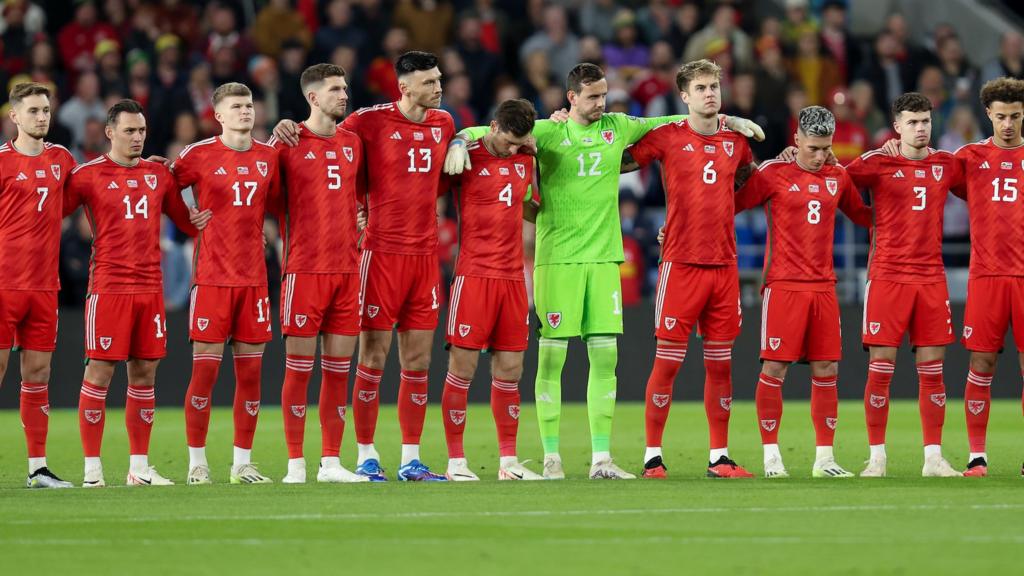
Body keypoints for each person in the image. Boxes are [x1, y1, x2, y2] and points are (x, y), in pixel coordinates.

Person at [446, 62, 764, 479]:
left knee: (605, 359)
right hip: (557, 258)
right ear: (571, 98)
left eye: (604, 95)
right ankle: (552, 457)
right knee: (551, 362)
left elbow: (670, 121)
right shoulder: (549, 130)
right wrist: (458, 139)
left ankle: (601, 459)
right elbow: (498, 131)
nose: (602, 103)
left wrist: (726, 119)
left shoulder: (619, 126)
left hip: (604, 258)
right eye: (593, 97)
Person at [274, 51, 455, 482]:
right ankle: (366, 454)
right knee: (373, 356)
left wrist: (465, 141)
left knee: (418, 360)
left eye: (439, 79)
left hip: (426, 256)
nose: (438, 87)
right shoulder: (367, 122)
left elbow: (473, 136)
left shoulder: (445, 124)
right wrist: (285, 126)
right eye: (429, 82)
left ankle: (411, 457)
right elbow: (322, 137)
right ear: (405, 87)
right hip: (378, 254)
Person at [622, 59, 756, 479]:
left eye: (714, 86)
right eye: (700, 88)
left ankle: (719, 456)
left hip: (724, 266)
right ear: (684, 96)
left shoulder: (737, 142)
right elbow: (619, 163)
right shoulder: (666, 137)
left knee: (721, 365)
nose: (710, 93)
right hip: (680, 265)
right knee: (668, 362)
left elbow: (748, 183)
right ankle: (652, 457)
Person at [65, 99, 210, 487]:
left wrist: (202, 215)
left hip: (151, 289)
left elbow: (186, 222)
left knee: (145, 374)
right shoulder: (86, 175)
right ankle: (92, 470)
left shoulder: (158, 175)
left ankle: (139, 468)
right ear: (109, 133)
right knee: (100, 372)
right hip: (109, 288)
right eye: (129, 131)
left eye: (141, 131)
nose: (137, 137)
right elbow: (50, 213)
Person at [735, 105, 872, 478]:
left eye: (826, 148)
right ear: (796, 140)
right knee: (775, 367)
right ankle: (771, 457)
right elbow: (729, 206)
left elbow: (863, 216)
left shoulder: (837, 176)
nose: (820, 155)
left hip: (825, 288)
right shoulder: (773, 173)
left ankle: (824, 459)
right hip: (783, 287)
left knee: (827, 369)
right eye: (813, 148)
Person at [844, 92, 964, 477]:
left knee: (933, 370)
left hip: (930, 278)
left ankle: (933, 458)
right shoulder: (877, 162)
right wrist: (867, 219)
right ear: (896, 127)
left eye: (925, 121)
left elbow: (984, 189)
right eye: (912, 122)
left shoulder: (947, 165)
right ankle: (877, 457)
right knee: (881, 369)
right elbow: (834, 181)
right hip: (888, 277)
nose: (920, 128)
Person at [174, 82, 280, 485]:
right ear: (218, 114)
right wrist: (187, 222)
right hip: (212, 280)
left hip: (253, 280)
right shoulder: (198, 155)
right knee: (204, 375)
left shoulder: (270, 156)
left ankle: (241, 464)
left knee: (251, 377)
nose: (245, 111)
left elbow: (286, 201)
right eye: (236, 106)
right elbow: (165, 188)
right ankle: (197, 462)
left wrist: (271, 228)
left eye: (250, 105)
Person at [268, 63, 367, 484]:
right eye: (335, 89)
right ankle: (295, 464)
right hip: (305, 270)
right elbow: (267, 198)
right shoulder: (286, 142)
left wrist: (358, 218)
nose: (344, 95)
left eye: (345, 88)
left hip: (347, 270)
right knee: (298, 369)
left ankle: (330, 462)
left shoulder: (353, 143)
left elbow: (358, 195)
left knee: (338, 370)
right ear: (313, 97)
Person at [440, 98, 542, 481]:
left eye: (521, 142)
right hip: (474, 276)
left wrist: (538, 167)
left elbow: (532, 205)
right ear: (494, 127)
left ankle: (508, 463)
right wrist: (457, 142)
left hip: (513, 278)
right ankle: (456, 462)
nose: (514, 149)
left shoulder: (525, 159)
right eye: (509, 142)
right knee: (462, 369)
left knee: (511, 370)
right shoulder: (467, 155)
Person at [0, 81, 77, 488]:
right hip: (3, 284)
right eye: (33, 110)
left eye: (45, 109)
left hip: (45, 286)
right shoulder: (1, 161)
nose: (41, 116)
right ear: (14, 116)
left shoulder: (63, 159)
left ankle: (37, 468)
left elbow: (92, 190)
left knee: (38, 374)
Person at [952, 77, 1024, 476]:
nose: (1009, 124)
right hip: (986, 276)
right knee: (982, 363)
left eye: (1015, 116)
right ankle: (977, 455)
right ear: (988, 115)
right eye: (1001, 117)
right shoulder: (969, 157)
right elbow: (923, 168)